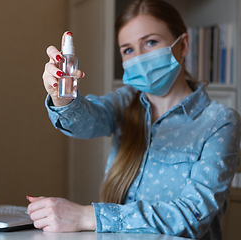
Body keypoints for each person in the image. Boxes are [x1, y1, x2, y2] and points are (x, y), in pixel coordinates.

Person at [27, 0, 241, 238]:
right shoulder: (124, 100)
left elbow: (192, 216)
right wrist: (61, 97)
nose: (139, 57)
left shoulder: (220, 121)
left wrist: (85, 216)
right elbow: (82, 122)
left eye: (150, 42)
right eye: (128, 50)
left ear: (183, 45)